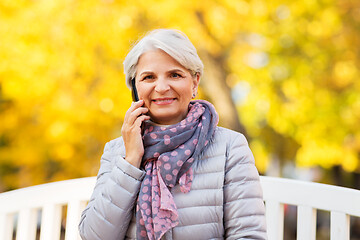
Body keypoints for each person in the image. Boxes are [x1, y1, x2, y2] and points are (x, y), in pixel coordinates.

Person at [79, 29, 267, 240]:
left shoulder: (229, 146)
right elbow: (94, 237)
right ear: (134, 87)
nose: (161, 87)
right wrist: (131, 161)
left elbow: (248, 235)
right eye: (149, 77)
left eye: (175, 75)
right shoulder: (117, 151)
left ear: (195, 82)